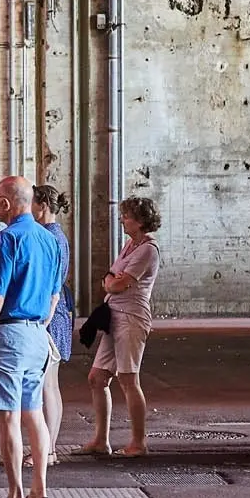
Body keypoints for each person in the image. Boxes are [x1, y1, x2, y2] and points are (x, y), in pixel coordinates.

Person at [0, 176, 60, 498]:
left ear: (6, 203)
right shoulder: (49, 239)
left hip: (9, 334)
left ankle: (14, 495)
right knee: (33, 414)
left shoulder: (7, 238)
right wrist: (38, 328)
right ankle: (40, 491)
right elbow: (54, 297)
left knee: (8, 417)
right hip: (38, 333)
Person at [83, 196, 162, 457]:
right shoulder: (130, 245)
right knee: (97, 378)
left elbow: (117, 283)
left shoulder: (148, 250)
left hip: (132, 317)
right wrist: (111, 281)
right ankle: (100, 440)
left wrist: (111, 282)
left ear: (140, 221)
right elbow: (110, 277)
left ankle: (138, 442)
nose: (122, 220)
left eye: (127, 217)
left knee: (128, 379)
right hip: (114, 315)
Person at [33, 184, 75, 460]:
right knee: (51, 385)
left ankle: (47, 449)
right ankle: (49, 447)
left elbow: (51, 285)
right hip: (57, 314)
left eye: (33, 203)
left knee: (46, 386)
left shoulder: (49, 237)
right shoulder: (58, 235)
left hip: (50, 315)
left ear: (43, 205)